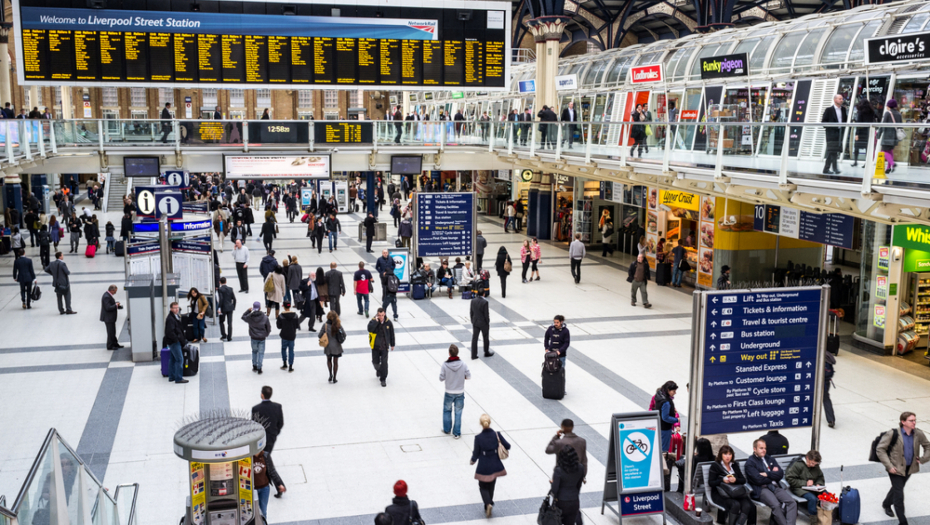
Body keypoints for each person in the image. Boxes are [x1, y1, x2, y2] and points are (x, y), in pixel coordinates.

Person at [878, 411, 930, 523]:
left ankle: (886, 503)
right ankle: (903, 522)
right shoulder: (893, 433)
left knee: (898, 488)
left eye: (915, 420)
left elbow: (928, 446)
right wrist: (889, 466)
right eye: (911, 420)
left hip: (909, 468)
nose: (914, 422)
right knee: (899, 495)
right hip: (895, 469)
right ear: (903, 422)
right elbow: (880, 449)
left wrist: (923, 459)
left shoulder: (918, 433)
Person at [745, 439, 797, 525]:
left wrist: (767, 474)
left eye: (765, 448)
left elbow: (780, 474)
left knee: (792, 502)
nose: (764, 450)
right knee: (776, 505)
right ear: (755, 449)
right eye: (761, 448)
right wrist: (773, 475)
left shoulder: (770, 459)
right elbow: (758, 479)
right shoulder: (750, 462)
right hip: (762, 489)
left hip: (775, 487)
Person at [470, 414, 510, 518]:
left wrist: (472, 460)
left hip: (483, 465)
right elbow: (508, 445)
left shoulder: (478, 438)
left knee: (482, 486)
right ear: (490, 422)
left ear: (480, 424)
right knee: (491, 485)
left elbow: (476, 453)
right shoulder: (496, 434)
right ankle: (489, 503)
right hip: (495, 464)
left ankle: (488, 504)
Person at [251, 385, 285, 497]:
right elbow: (280, 424)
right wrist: (275, 433)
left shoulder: (256, 409)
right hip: (271, 438)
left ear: (262, 394)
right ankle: (277, 484)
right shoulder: (277, 407)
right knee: (266, 459)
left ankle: (280, 485)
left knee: (267, 462)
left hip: (260, 440)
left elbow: (254, 426)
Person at [708, 445, 755, 525]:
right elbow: (711, 482)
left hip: (735, 492)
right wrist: (722, 480)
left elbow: (743, 480)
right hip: (721, 494)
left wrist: (735, 480)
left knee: (747, 505)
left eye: (730, 454)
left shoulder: (734, 465)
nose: (727, 456)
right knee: (735, 505)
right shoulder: (715, 466)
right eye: (725, 454)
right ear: (721, 455)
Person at [440, 344, 471, 438]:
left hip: (449, 391)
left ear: (449, 353)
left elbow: (441, 378)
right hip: (460, 392)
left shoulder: (445, 365)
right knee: (458, 412)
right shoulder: (463, 364)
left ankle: (447, 429)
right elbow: (468, 376)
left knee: (447, 410)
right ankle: (457, 433)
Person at [551, 445, 586, 525]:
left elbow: (554, 490)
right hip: (574, 501)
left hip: (561, 501)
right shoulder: (580, 468)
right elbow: (579, 485)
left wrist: (552, 483)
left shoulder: (558, 470)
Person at [785, 450, 825, 516]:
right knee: (812, 498)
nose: (813, 465)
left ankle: (823, 517)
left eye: (815, 464)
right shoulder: (798, 465)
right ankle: (813, 519)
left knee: (826, 495)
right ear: (807, 458)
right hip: (799, 488)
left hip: (813, 487)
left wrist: (819, 483)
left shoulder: (816, 466)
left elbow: (820, 476)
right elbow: (790, 479)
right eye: (812, 463)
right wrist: (805, 483)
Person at [252, 450, 285, 518]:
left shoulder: (265, 456)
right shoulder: (248, 457)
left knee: (263, 512)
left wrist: (279, 484)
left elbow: (272, 471)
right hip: (252, 489)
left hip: (264, 488)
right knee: (253, 512)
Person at [243, 301, 272, 374]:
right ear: (260, 308)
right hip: (262, 338)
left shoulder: (250, 317)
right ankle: (260, 368)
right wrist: (266, 334)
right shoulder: (264, 317)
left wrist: (248, 311)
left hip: (253, 337)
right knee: (261, 353)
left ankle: (254, 366)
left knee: (254, 351)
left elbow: (243, 317)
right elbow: (268, 327)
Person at [368, 308, 395, 387]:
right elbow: (369, 329)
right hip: (375, 346)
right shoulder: (373, 321)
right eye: (379, 315)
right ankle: (379, 370)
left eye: (382, 315)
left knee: (384, 363)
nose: (381, 317)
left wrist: (392, 344)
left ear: (385, 314)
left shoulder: (388, 323)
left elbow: (391, 333)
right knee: (375, 362)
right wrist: (375, 322)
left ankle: (383, 378)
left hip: (384, 346)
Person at [821, 94, 847, 175]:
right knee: (832, 151)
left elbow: (845, 120)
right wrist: (832, 126)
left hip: (839, 133)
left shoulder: (843, 109)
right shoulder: (829, 110)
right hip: (831, 133)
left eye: (842, 99)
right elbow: (824, 122)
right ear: (835, 100)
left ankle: (827, 169)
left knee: (833, 151)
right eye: (840, 99)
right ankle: (834, 168)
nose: (841, 100)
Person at [164, 302, 189, 384]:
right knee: (179, 359)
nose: (176, 309)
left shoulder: (174, 316)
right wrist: (177, 339)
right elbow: (170, 332)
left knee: (173, 359)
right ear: (171, 309)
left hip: (173, 342)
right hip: (174, 342)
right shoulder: (171, 319)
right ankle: (178, 378)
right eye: (174, 308)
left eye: (177, 307)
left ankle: (172, 376)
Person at [320, 311, 345, 383]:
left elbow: (319, 335)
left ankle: (330, 374)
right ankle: (335, 377)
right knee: (336, 362)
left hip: (328, 346)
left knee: (329, 360)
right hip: (336, 346)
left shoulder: (325, 325)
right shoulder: (338, 325)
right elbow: (344, 334)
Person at [880, 99, 904, 174]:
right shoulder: (899, 114)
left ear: (889, 106)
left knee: (883, 151)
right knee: (890, 151)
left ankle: (893, 163)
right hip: (894, 137)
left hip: (887, 136)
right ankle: (888, 168)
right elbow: (900, 126)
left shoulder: (887, 113)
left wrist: (878, 134)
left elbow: (883, 125)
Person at [851, 98, 875, 167]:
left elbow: (859, 123)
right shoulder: (872, 112)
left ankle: (855, 161)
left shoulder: (860, 112)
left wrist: (857, 134)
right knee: (867, 148)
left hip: (861, 132)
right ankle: (867, 162)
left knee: (856, 147)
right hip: (868, 131)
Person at [276, 301, 299, 372]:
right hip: (292, 335)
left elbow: (279, 326)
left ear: (283, 306)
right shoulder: (295, 315)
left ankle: (284, 363)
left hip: (284, 335)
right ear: (290, 306)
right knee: (291, 350)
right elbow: (297, 326)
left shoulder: (281, 316)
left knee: (283, 349)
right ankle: (291, 366)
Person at [470, 290, 493, 359]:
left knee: (475, 338)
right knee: (485, 337)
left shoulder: (473, 301)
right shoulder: (485, 302)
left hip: (475, 322)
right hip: (483, 323)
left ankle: (473, 354)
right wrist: (487, 322)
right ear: (483, 294)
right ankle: (486, 352)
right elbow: (486, 314)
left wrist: (473, 321)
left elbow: (471, 312)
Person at [100, 285, 123, 349]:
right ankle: (110, 346)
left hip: (110, 318)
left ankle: (115, 343)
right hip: (108, 318)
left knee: (113, 331)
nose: (115, 292)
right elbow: (108, 307)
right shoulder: (106, 297)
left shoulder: (108, 295)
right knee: (110, 332)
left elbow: (110, 304)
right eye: (115, 291)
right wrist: (116, 305)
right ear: (112, 290)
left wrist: (117, 305)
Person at [216, 277, 236, 342]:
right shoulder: (230, 289)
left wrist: (219, 307)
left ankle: (224, 335)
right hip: (230, 307)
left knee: (221, 321)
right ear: (226, 281)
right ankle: (229, 337)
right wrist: (233, 306)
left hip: (223, 308)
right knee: (230, 323)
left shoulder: (220, 289)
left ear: (219, 282)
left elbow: (221, 299)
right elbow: (234, 299)